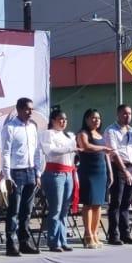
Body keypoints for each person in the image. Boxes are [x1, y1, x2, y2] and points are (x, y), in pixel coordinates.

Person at [0, 97, 42, 256]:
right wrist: (7, 176)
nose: (30, 112)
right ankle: (12, 243)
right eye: (27, 109)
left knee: (27, 210)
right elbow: (5, 153)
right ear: (19, 109)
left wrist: (38, 172)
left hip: (30, 171)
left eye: (31, 109)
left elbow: (36, 151)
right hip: (16, 173)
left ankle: (25, 241)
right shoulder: (10, 128)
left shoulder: (32, 128)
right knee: (14, 210)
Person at [38, 108, 77, 253]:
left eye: (65, 119)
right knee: (56, 209)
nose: (63, 122)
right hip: (54, 173)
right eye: (60, 119)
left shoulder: (68, 135)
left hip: (68, 173)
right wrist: (70, 147)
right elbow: (50, 151)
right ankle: (53, 241)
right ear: (53, 120)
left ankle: (63, 239)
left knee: (64, 210)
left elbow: (72, 154)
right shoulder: (48, 134)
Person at [75, 109, 113, 249]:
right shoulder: (82, 134)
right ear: (86, 119)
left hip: (101, 171)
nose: (96, 120)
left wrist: (110, 172)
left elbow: (106, 155)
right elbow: (86, 147)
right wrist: (103, 147)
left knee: (98, 204)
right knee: (88, 203)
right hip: (88, 172)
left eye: (98, 118)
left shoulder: (100, 134)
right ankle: (88, 234)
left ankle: (95, 233)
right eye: (92, 118)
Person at [106, 105, 132, 246]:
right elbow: (114, 153)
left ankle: (125, 233)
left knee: (126, 203)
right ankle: (113, 235)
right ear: (118, 114)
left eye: (130, 113)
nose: (128, 116)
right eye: (125, 114)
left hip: (131, 167)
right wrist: (124, 171)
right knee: (116, 202)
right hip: (118, 168)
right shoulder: (111, 130)